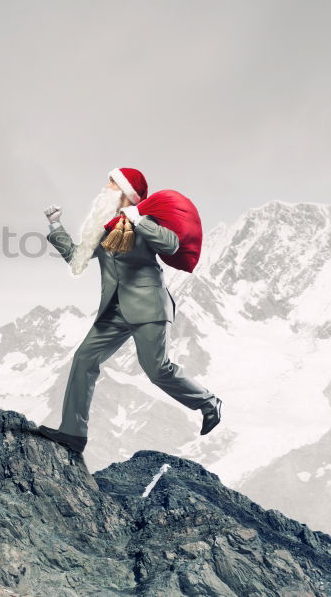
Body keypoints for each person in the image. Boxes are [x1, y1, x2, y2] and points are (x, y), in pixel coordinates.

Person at [36, 167, 222, 463]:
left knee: (157, 370)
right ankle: (73, 433)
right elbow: (76, 258)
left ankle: (208, 402)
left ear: (125, 193)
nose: (105, 187)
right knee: (84, 360)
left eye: (111, 183)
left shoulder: (144, 221)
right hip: (115, 309)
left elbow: (170, 244)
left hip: (148, 307)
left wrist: (139, 220)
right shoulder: (104, 229)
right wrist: (56, 226)